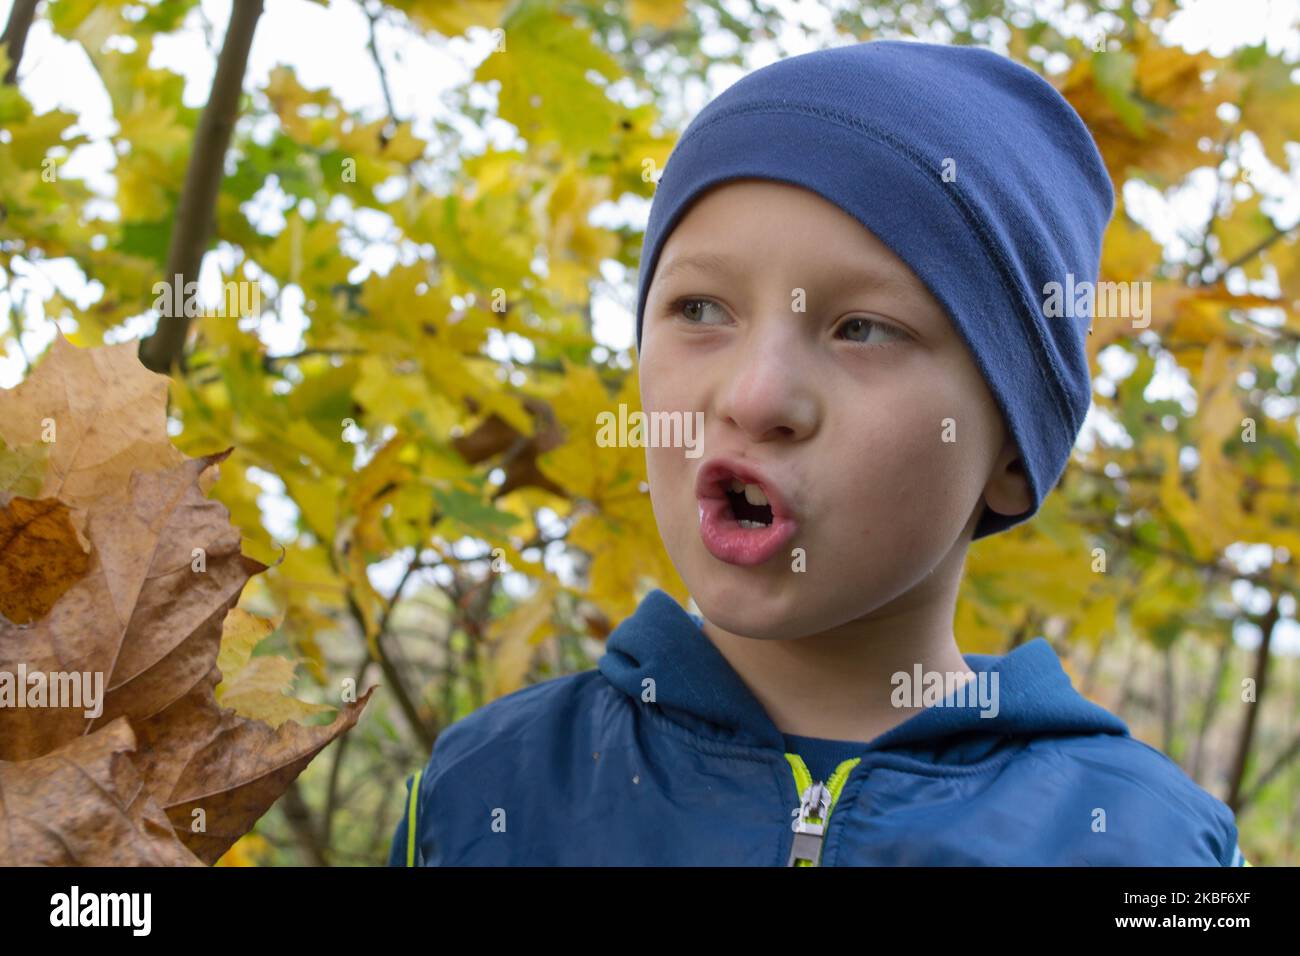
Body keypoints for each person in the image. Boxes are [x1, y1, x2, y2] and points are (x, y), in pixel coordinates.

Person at [388, 39, 1248, 866]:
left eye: (861, 329)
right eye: (699, 310)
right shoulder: (484, 794)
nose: (756, 397)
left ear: (1012, 454)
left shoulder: (1152, 847)